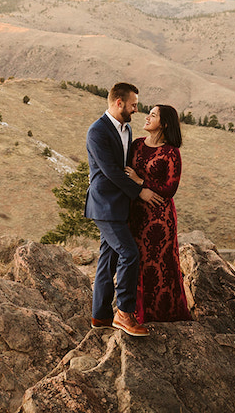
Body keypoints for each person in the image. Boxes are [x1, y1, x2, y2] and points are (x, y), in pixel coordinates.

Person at [83, 82, 163, 337]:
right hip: (104, 206)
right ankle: (124, 314)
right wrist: (140, 191)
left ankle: (100, 316)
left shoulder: (126, 130)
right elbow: (110, 172)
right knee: (130, 253)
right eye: (133, 105)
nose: (136, 110)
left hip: (120, 206)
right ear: (119, 103)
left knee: (108, 260)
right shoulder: (97, 131)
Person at [124, 104, 192, 324]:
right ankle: (134, 313)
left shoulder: (171, 152)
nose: (147, 117)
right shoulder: (136, 145)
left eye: (152, 115)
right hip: (135, 214)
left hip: (159, 219)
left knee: (159, 265)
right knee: (136, 263)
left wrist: (141, 182)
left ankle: (162, 315)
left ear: (163, 124)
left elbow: (170, 188)